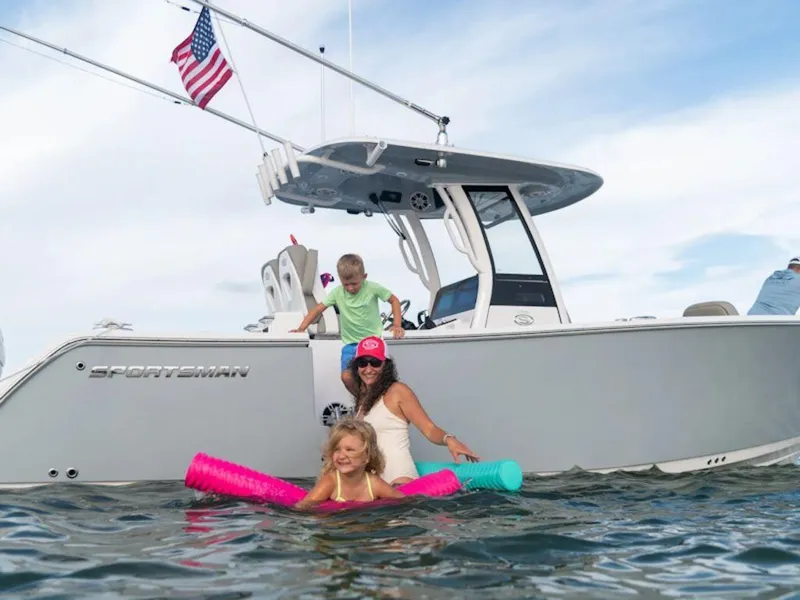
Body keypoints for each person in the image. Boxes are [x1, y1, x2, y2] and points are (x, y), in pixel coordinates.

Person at [349, 335, 480, 486]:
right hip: (375, 484)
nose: (368, 369)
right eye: (362, 363)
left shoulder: (398, 391)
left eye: (375, 363)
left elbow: (429, 429)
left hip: (399, 480)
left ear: (386, 365)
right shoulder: (363, 398)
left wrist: (449, 440)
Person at [291, 253, 405, 394]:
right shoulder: (337, 293)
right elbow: (318, 309)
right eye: (346, 284)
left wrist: (397, 324)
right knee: (346, 377)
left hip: (372, 341)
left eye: (354, 284)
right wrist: (301, 328)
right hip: (350, 345)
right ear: (340, 280)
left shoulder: (373, 288)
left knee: (377, 378)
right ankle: (363, 400)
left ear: (364, 277)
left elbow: (394, 300)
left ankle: (374, 401)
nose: (350, 288)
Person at [295, 418, 405, 509]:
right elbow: (303, 507)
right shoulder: (330, 482)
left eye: (350, 450)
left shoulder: (374, 484)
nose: (342, 456)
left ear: (367, 457)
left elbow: (405, 502)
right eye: (337, 449)